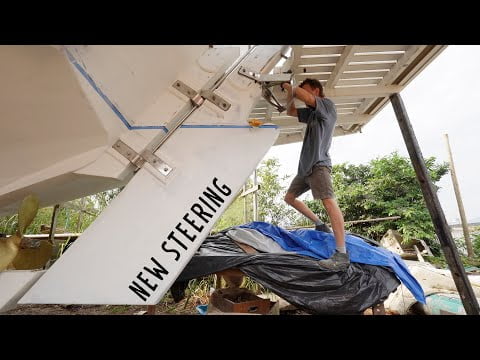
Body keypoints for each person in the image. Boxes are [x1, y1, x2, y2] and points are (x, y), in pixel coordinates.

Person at [281, 78, 349, 270]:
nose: (302, 93)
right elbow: (290, 111)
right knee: (289, 198)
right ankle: (320, 224)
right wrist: (289, 93)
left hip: (319, 165)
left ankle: (342, 254)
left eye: (306, 90)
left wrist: (290, 86)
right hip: (305, 168)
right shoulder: (312, 114)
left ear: (316, 91)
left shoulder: (327, 106)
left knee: (328, 201)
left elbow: (301, 95)